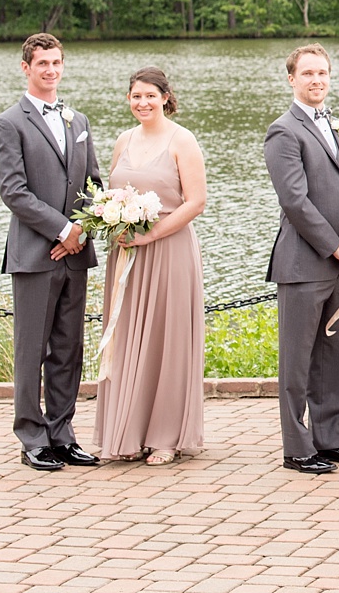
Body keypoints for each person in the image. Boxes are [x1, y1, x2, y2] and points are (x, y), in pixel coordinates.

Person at [0, 32, 102, 471]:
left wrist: (83, 228)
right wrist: (61, 230)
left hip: (75, 254)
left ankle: (63, 433)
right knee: (30, 348)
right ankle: (32, 437)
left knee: (68, 348)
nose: (51, 71)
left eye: (56, 63)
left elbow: (93, 184)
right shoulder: (8, 123)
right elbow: (13, 192)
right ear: (26, 68)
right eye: (42, 64)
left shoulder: (79, 121)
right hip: (35, 254)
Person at [264, 43, 339, 474]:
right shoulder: (283, 131)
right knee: (297, 360)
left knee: (333, 357)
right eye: (307, 73)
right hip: (303, 263)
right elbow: (294, 200)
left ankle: (330, 439)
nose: (316, 80)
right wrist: (334, 247)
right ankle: (297, 448)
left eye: (322, 73)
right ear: (292, 79)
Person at [93, 67, 207, 464]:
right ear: (128, 99)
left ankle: (165, 437)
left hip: (170, 251)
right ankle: (129, 430)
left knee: (166, 338)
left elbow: (196, 202)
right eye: (135, 96)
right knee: (126, 338)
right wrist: (113, 218)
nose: (142, 103)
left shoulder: (182, 140)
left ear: (165, 97)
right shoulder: (123, 140)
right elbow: (112, 193)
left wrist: (151, 234)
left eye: (150, 96)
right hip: (126, 254)